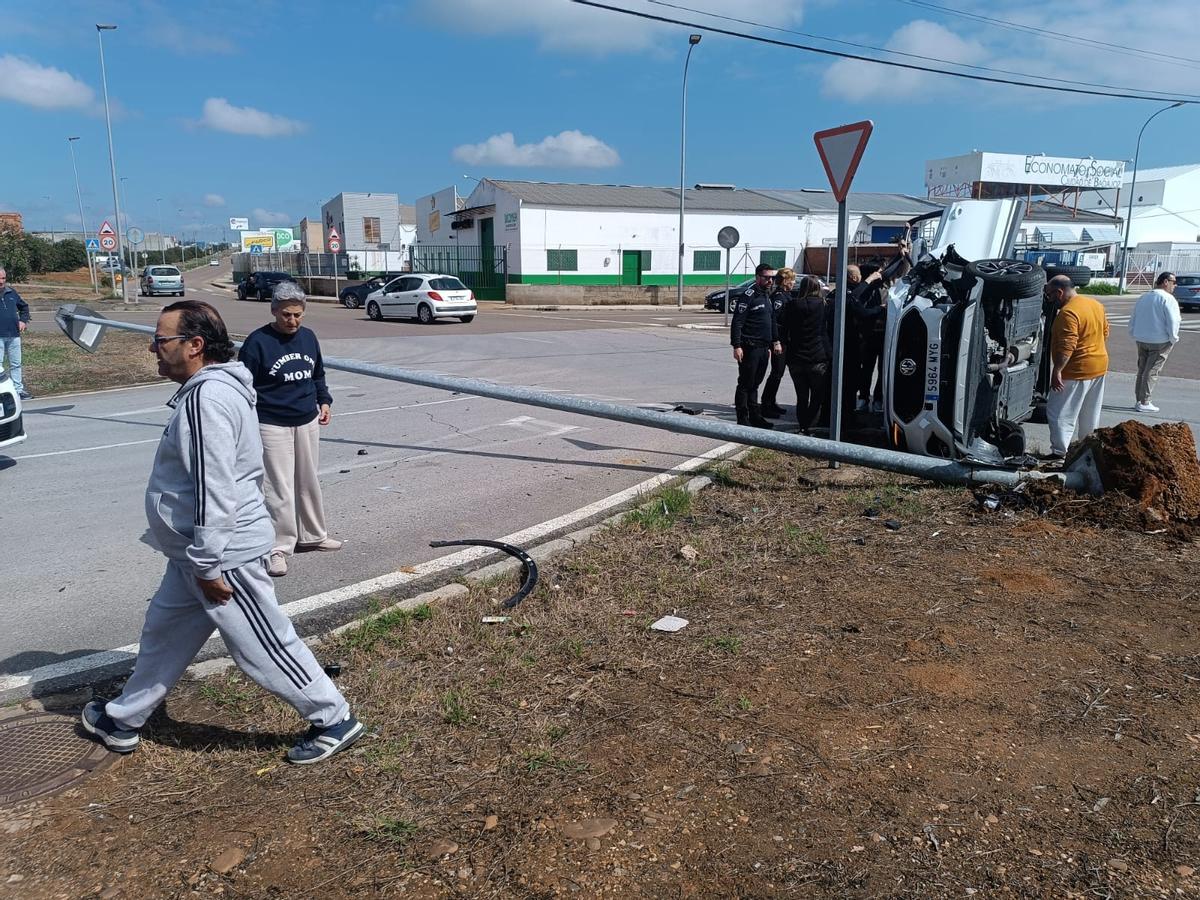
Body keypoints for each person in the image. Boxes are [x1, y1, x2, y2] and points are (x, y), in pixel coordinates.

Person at [81, 300, 363, 765]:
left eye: (162, 340)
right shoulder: (210, 390)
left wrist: (210, 563)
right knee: (163, 637)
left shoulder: (206, 399)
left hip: (223, 554)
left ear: (194, 346)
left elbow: (215, 485)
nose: (154, 348)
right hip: (196, 553)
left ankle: (334, 718)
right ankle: (123, 719)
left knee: (262, 644)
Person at [238, 282, 342, 578]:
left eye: (298, 315)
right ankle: (278, 548)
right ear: (274, 311)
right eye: (286, 315)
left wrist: (324, 401)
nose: (292, 321)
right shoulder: (257, 343)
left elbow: (317, 374)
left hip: (306, 418)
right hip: (271, 422)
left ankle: (313, 535)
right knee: (278, 486)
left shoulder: (308, 338)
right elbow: (243, 386)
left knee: (308, 480)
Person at [1045, 275, 1110, 458]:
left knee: (1060, 413)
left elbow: (1067, 346)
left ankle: (1059, 453)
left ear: (1060, 292)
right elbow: (1105, 331)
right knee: (1090, 414)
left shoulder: (1068, 313)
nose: (1049, 300)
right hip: (1099, 365)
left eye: (1050, 295)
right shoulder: (1095, 304)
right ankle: (1086, 450)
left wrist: (1057, 370)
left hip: (1076, 370)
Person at [730, 263, 783, 428]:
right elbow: (737, 322)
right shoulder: (749, 295)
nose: (770, 281)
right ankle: (743, 418)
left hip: (763, 347)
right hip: (749, 346)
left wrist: (775, 341)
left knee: (755, 384)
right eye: (766, 278)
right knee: (746, 383)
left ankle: (755, 416)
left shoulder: (767, 295)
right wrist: (736, 345)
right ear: (757, 277)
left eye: (772, 278)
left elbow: (772, 321)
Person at [782, 275, 832, 433]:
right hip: (818, 356)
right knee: (817, 396)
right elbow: (826, 331)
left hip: (796, 357)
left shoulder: (792, 305)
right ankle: (808, 424)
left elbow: (784, 328)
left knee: (801, 396)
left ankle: (802, 425)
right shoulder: (824, 305)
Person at [1128, 271, 1180, 413]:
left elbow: (1134, 316)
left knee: (1142, 369)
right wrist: (1173, 338)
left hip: (1142, 338)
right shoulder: (1168, 299)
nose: (1175, 285)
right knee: (1152, 371)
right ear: (1165, 282)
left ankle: (1139, 399)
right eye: (1173, 282)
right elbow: (1173, 321)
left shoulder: (1144, 297)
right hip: (1160, 340)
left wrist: (1133, 332)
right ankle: (1145, 401)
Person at [759, 267, 795, 418]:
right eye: (792, 279)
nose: (793, 283)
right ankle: (766, 404)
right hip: (780, 341)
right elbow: (776, 322)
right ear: (786, 281)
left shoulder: (786, 295)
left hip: (786, 340)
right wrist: (776, 342)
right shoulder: (779, 297)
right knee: (776, 373)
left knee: (778, 374)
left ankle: (771, 401)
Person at [0, 267, 32, 400]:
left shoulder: (11, 293)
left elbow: (24, 307)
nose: (1, 281)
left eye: (3, 278)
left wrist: (23, 321)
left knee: (16, 364)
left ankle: (18, 390)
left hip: (14, 335)